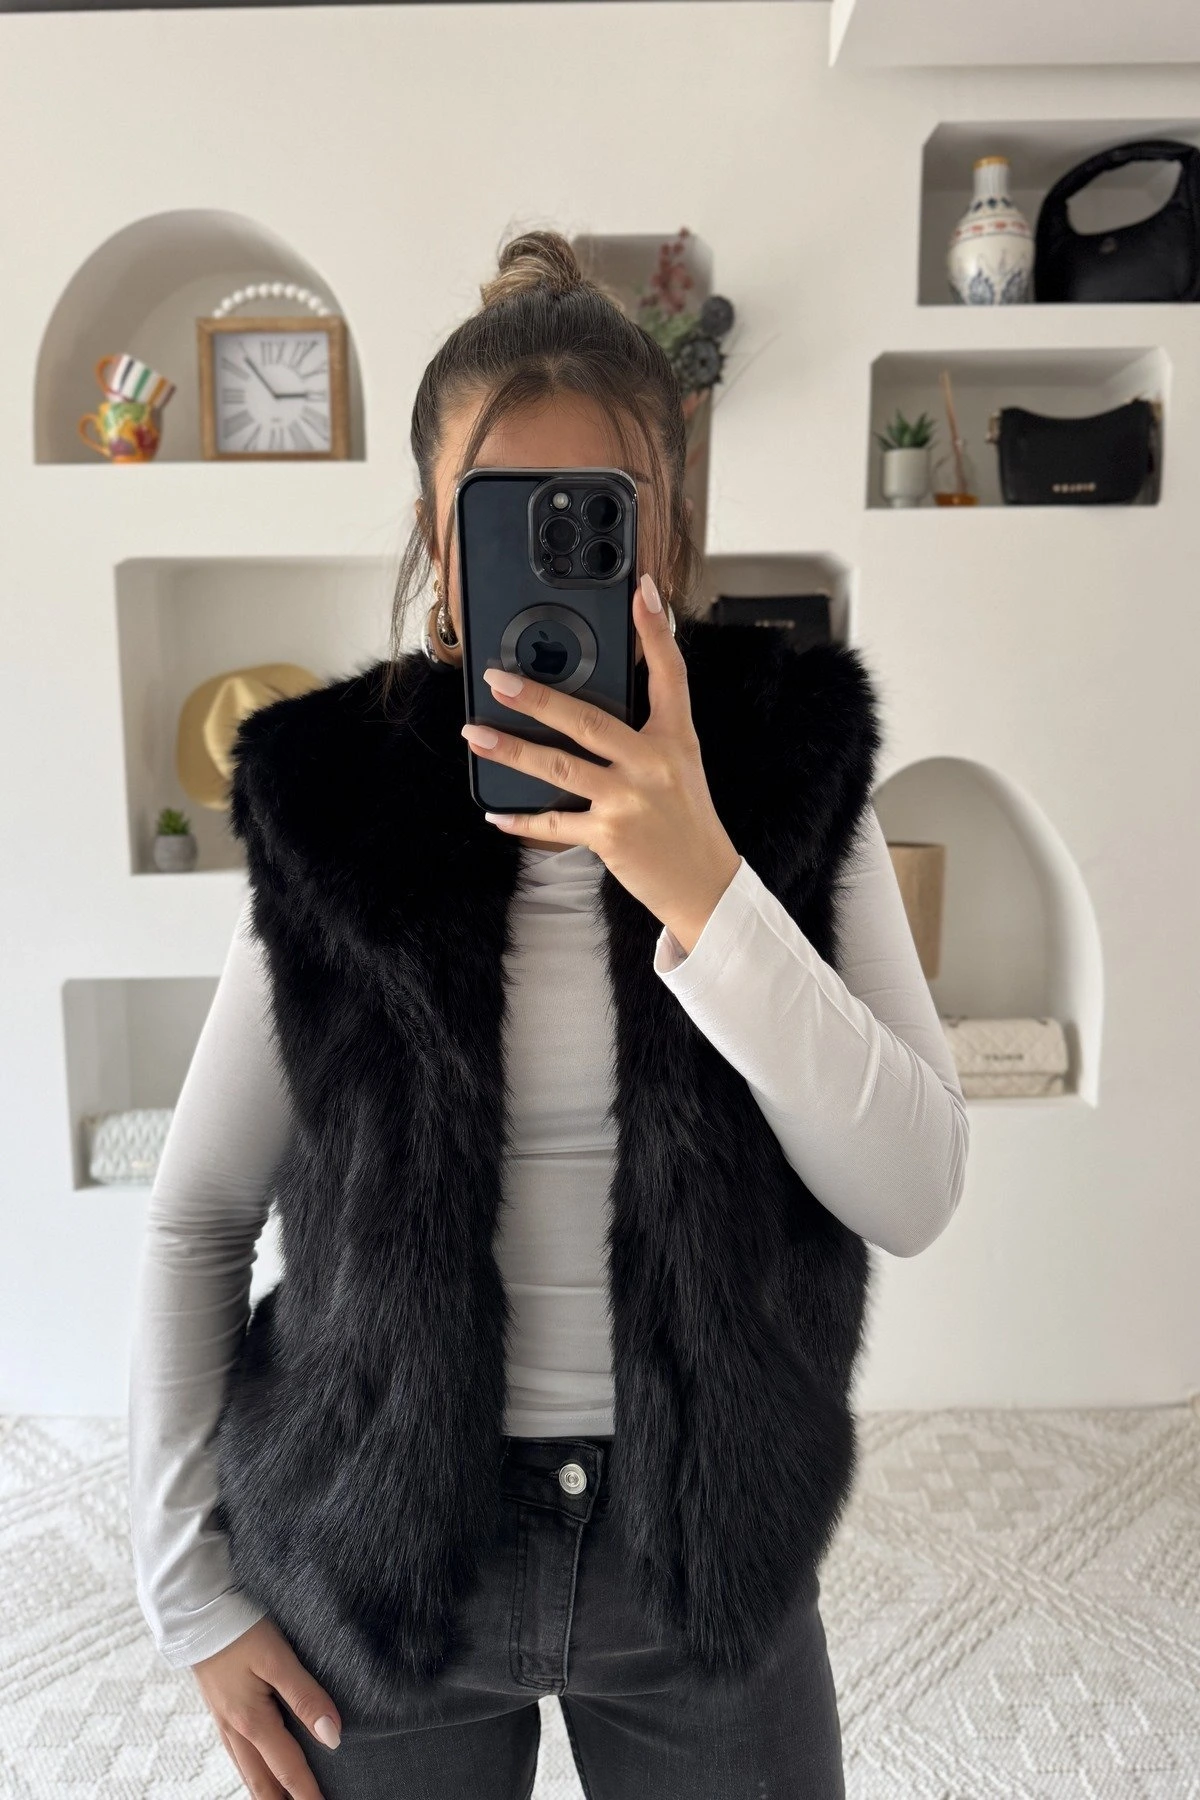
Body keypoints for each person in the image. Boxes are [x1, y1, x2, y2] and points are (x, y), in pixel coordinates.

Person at [128, 228, 969, 1800]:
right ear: (437, 544)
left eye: (597, 515)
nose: (552, 559)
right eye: (501, 518)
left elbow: (913, 1190)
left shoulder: (786, 762)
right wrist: (188, 1591)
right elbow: (198, 1216)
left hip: (705, 1555)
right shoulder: (335, 794)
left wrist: (707, 886)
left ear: (670, 526)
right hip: (379, 1556)